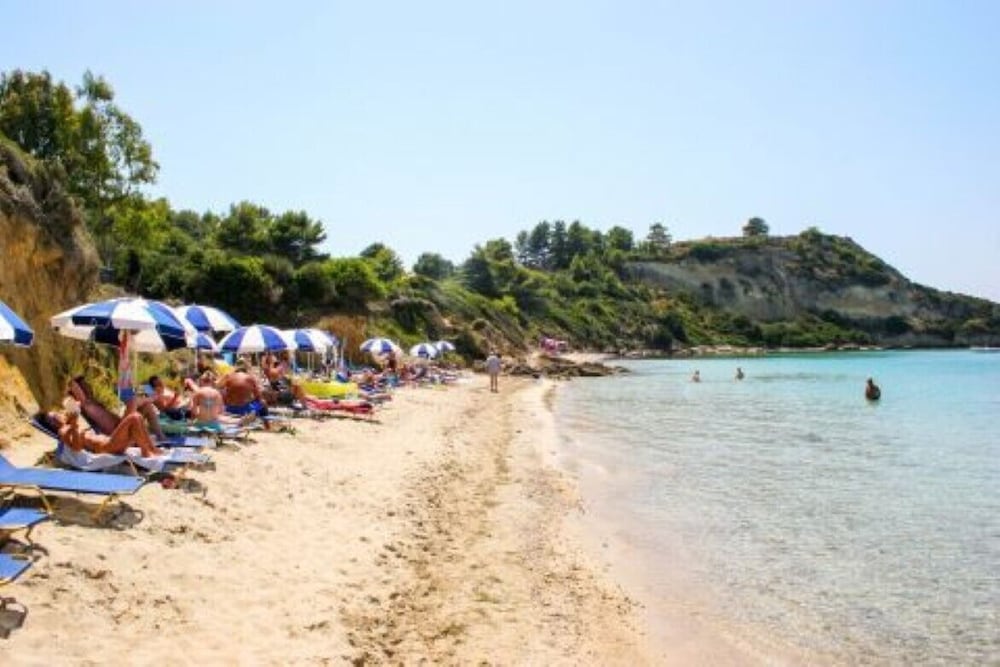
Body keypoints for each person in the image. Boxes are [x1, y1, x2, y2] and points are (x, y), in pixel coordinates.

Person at [37, 397, 163, 457]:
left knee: (138, 417)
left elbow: (76, 404)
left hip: (112, 442)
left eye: (56, 414)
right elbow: (76, 448)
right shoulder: (63, 430)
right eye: (53, 418)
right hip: (106, 447)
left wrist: (73, 411)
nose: (57, 416)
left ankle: (148, 450)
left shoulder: (70, 421)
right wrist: (74, 426)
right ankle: (149, 451)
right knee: (134, 417)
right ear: (52, 424)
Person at [68, 375, 167, 441]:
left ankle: (161, 437)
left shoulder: (92, 402)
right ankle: (152, 399)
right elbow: (75, 388)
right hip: (118, 433)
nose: (88, 386)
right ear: (79, 391)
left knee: (146, 406)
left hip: (121, 425)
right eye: (84, 385)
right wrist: (71, 380)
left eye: (87, 384)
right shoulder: (86, 404)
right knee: (133, 402)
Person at [219, 359, 270, 425]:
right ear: (246, 369)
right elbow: (258, 397)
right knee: (263, 403)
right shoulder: (250, 378)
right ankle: (267, 425)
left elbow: (218, 388)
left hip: (229, 408)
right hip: (244, 409)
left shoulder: (228, 376)